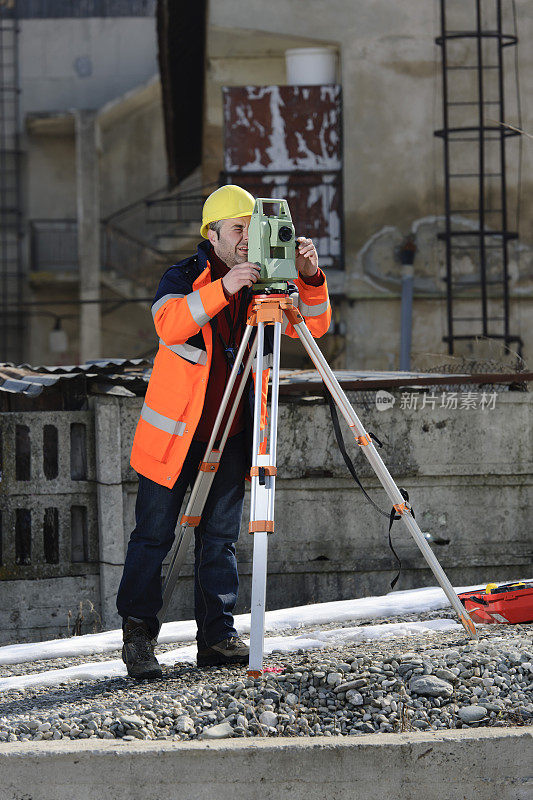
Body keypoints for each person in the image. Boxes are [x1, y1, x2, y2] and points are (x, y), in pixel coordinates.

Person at [116, 185, 331, 679]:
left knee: (218, 540)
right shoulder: (185, 276)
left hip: (234, 431)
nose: (246, 238)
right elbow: (168, 324)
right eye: (238, 229)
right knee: (152, 537)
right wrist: (224, 287)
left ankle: (217, 639)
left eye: (250, 228)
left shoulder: (266, 282)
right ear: (213, 234)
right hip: (176, 438)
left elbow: (314, 327)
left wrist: (310, 277)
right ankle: (139, 641)